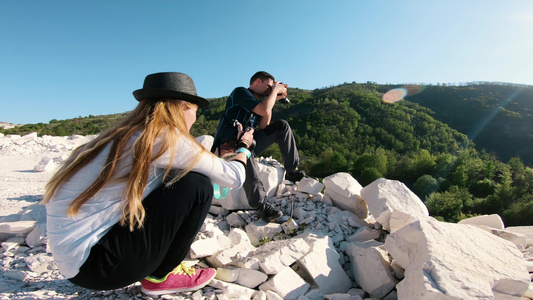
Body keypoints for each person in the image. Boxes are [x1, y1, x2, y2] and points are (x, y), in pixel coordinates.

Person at [42, 72, 255, 296]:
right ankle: (161, 277)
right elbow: (234, 178)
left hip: (75, 260)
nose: (194, 117)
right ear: (183, 108)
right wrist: (243, 148)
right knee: (197, 184)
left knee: (181, 176)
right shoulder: (164, 137)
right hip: (98, 267)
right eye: (194, 109)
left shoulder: (123, 136)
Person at [211, 71, 308, 222]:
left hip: (248, 140)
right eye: (268, 86)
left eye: (271, 87)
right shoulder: (240, 92)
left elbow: (264, 125)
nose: (269, 90)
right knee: (244, 149)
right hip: (228, 145)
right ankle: (261, 205)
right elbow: (263, 109)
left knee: (282, 126)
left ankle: (291, 171)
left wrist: (273, 98)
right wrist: (275, 90)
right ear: (257, 82)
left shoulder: (259, 103)